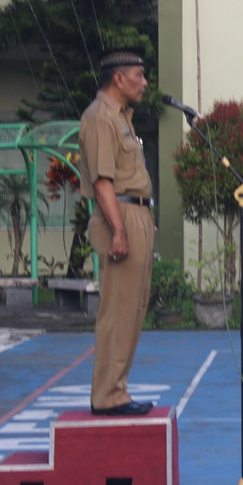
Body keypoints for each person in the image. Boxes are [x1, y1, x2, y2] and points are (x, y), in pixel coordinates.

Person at [79, 48, 156, 416]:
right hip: (119, 215)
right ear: (119, 78)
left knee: (134, 308)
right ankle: (108, 396)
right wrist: (119, 232)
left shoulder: (122, 117)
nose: (144, 83)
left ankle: (117, 389)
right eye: (139, 75)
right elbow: (101, 181)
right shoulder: (100, 117)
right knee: (118, 310)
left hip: (136, 212)